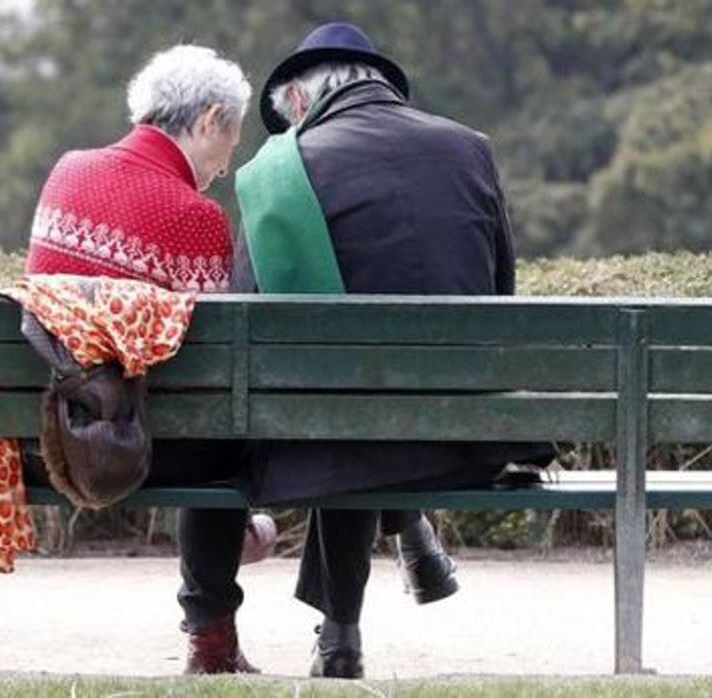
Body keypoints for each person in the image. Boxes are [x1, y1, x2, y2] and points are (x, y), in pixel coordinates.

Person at [234, 22, 554, 678]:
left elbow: (252, 321)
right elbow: (501, 294)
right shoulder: (471, 148)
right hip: (467, 436)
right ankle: (409, 538)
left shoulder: (281, 172)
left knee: (342, 410)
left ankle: (342, 634)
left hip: (337, 444)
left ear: (299, 103)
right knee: (364, 408)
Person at [22, 45, 268, 673]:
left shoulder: (67, 171)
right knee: (226, 446)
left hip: (46, 437)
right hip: (142, 446)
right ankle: (211, 638)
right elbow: (209, 369)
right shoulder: (195, 217)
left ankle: (233, 561)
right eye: (230, 144)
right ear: (210, 119)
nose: (224, 165)